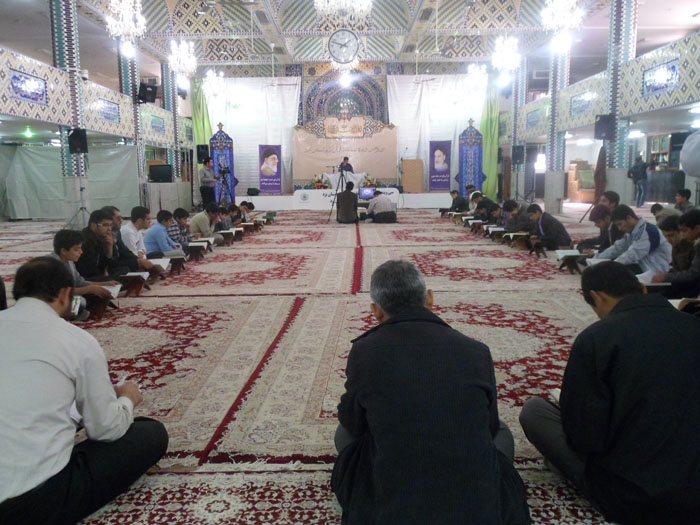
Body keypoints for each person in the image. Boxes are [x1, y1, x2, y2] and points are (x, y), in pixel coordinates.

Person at [332, 260, 530, 524]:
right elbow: (489, 425)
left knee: (343, 432)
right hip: (477, 512)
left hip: (390, 510)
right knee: (502, 431)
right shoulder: (476, 351)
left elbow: (353, 422)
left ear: (376, 311)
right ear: (430, 298)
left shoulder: (364, 352)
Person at [519, 261, 700, 524]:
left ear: (597, 297)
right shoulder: (693, 326)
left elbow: (585, 440)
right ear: (642, 288)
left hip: (632, 496)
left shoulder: (597, 338)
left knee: (535, 412)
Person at [0, 257, 169, 524]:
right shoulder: (75, 340)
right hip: (28, 501)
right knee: (150, 432)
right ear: (65, 293)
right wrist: (127, 398)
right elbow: (106, 430)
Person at [593, 204, 671, 273]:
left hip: (657, 270)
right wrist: (597, 259)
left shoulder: (648, 231)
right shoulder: (632, 231)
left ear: (629, 218)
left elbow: (634, 253)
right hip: (644, 267)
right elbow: (617, 248)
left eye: (620, 224)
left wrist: (613, 265)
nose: (619, 228)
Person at [49, 230, 118, 301]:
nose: (81, 252)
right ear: (64, 251)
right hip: (52, 300)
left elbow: (79, 282)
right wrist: (89, 289)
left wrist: (104, 284)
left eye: (80, 248)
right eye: (76, 249)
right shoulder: (50, 265)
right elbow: (59, 292)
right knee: (82, 301)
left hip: (65, 296)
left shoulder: (69, 261)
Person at [651, 209, 700, 297]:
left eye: (671, 235)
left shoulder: (694, 246)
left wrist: (666, 277)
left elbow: (693, 274)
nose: (668, 240)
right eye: (665, 236)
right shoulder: (676, 247)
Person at [102, 206, 157, 274]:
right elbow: (112, 262)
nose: (121, 221)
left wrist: (139, 259)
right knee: (129, 267)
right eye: (118, 218)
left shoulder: (117, 233)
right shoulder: (127, 232)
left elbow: (127, 251)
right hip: (110, 268)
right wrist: (139, 260)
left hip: (120, 263)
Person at [75, 209, 124, 280]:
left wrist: (109, 247)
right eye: (105, 225)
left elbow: (114, 263)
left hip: (100, 273)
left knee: (124, 270)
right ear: (93, 225)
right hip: (87, 277)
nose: (109, 229)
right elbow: (91, 268)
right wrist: (105, 273)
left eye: (110, 225)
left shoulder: (105, 236)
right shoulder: (85, 240)